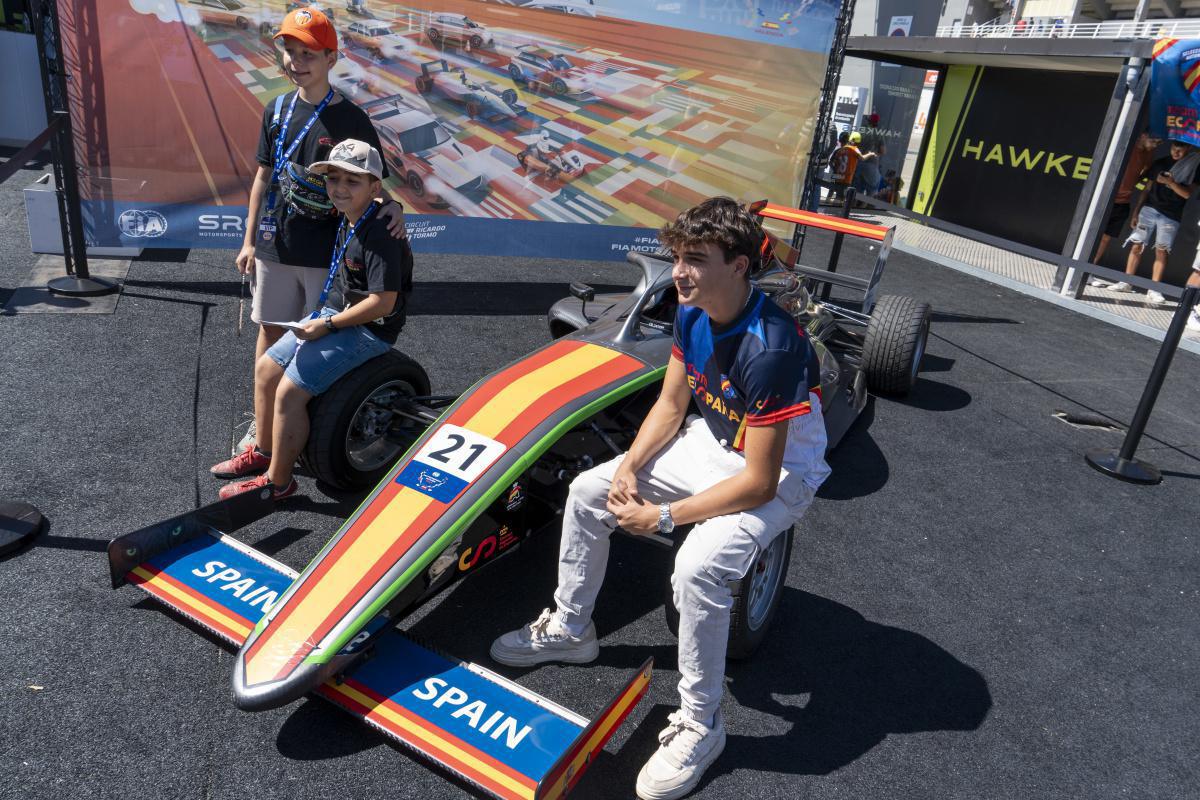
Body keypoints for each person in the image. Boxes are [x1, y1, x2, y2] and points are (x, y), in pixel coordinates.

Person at [489, 197, 830, 800]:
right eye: (677, 257)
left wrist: (662, 516)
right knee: (590, 489)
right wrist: (629, 465)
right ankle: (572, 629)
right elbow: (672, 406)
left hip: (780, 470)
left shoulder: (772, 346)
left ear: (742, 266)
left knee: (697, 567)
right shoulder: (692, 312)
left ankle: (703, 722)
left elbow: (758, 480)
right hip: (719, 440)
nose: (679, 272)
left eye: (696, 260)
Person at [235, 6, 405, 451]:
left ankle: (307, 430)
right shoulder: (276, 110)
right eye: (290, 52)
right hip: (275, 246)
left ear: (331, 58)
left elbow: (375, 187)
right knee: (271, 335)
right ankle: (263, 428)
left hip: (326, 255)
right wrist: (250, 239)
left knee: (311, 345)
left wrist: (396, 207)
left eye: (308, 53)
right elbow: (262, 177)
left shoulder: (352, 119)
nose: (296, 61)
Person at [212, 140, 412, 500]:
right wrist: (390, 204)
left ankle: (278, 483)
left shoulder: (379, 234)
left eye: (353, 181)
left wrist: (328, 326)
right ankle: (265, 451)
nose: (339, 188)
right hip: (334, 315)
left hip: (369, 330)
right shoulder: (351, 214)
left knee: (289, 391)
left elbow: (383, 304)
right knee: (266, 370)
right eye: (333, 179)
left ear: (373, 187)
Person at [1111, 139, 1198, 304]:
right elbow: (1147, 189)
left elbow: (1187, 194)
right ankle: (1126, 281)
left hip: (1171, 215)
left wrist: (1171, 182)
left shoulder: (1194, 167)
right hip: (1149, 210)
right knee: (1137, 244)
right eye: (1174, 148)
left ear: (1188, 148)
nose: (1176, 152)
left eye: (1180, 150)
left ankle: (1154, 289)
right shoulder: (1160, 163)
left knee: (1161, 251)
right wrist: (1136, 212)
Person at [1089, 132, 1161, 285]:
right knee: (1092, 235)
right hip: (1106, 198)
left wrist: (1134, 181)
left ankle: (1087, 271)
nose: (1155, 145)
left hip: (1123, 201)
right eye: (1153, 141)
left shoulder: (1148, 154)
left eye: (1158, 143)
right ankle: (1078, 269)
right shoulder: (1126, 146)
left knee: (1105, 238)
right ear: (1143, 135)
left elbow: (1145, 171)